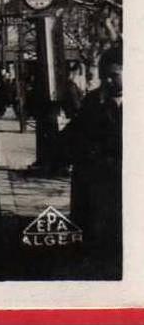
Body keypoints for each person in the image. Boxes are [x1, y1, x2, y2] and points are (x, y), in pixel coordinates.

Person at [60, 45, 122, 278]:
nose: (107, 80)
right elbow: (74, 134)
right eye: (104, 75)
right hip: (95, 180)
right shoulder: (93, 101)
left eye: (114, 75)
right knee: (94, 232)